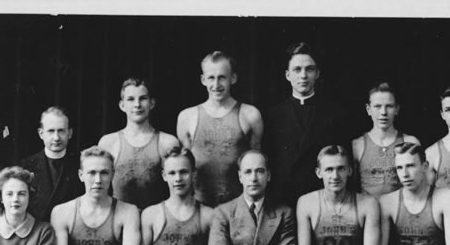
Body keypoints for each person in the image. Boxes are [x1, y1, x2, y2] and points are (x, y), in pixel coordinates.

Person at [264, 42, 348, 208]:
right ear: (287, 75)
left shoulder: (333, 114)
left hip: (322, 200)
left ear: (317, 73)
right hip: (283, 201)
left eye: (309, 69)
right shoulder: (272, 115)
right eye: (297, 70)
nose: (303, 75)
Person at [177, 52, 263, 207]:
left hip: (238, 206)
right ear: (203, 80)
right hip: (199, 208)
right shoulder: (187, 117)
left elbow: (257, 164)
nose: (216, 84)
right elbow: (183, 167)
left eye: (222, 77)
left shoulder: (250, 115)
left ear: (233, 78)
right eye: (211, 77)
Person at [98, 78, 180, 210]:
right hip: (119, 221)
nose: (137, 104)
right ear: (122, 105)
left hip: (156, 221)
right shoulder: (108, 142)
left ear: (152, 103)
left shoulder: (167, 142)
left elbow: (178, 190)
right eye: (130, 99)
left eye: (143, 98)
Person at [352, 83, 420, 198]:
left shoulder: (410, 141)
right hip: (370, 212)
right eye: (377, 106)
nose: (383, 112)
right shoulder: (358, 145)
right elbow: (353, 188)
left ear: (397, 109)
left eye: (389, 106)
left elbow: (420, 185)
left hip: (400, 212)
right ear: (368, 109)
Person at [19, 106, 83, 222]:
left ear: (70, 133)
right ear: (41, 133)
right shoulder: (25, 166)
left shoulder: (81, 164)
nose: (56, 137)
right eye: (51, 131)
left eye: (61, 131)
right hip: (37, 234)